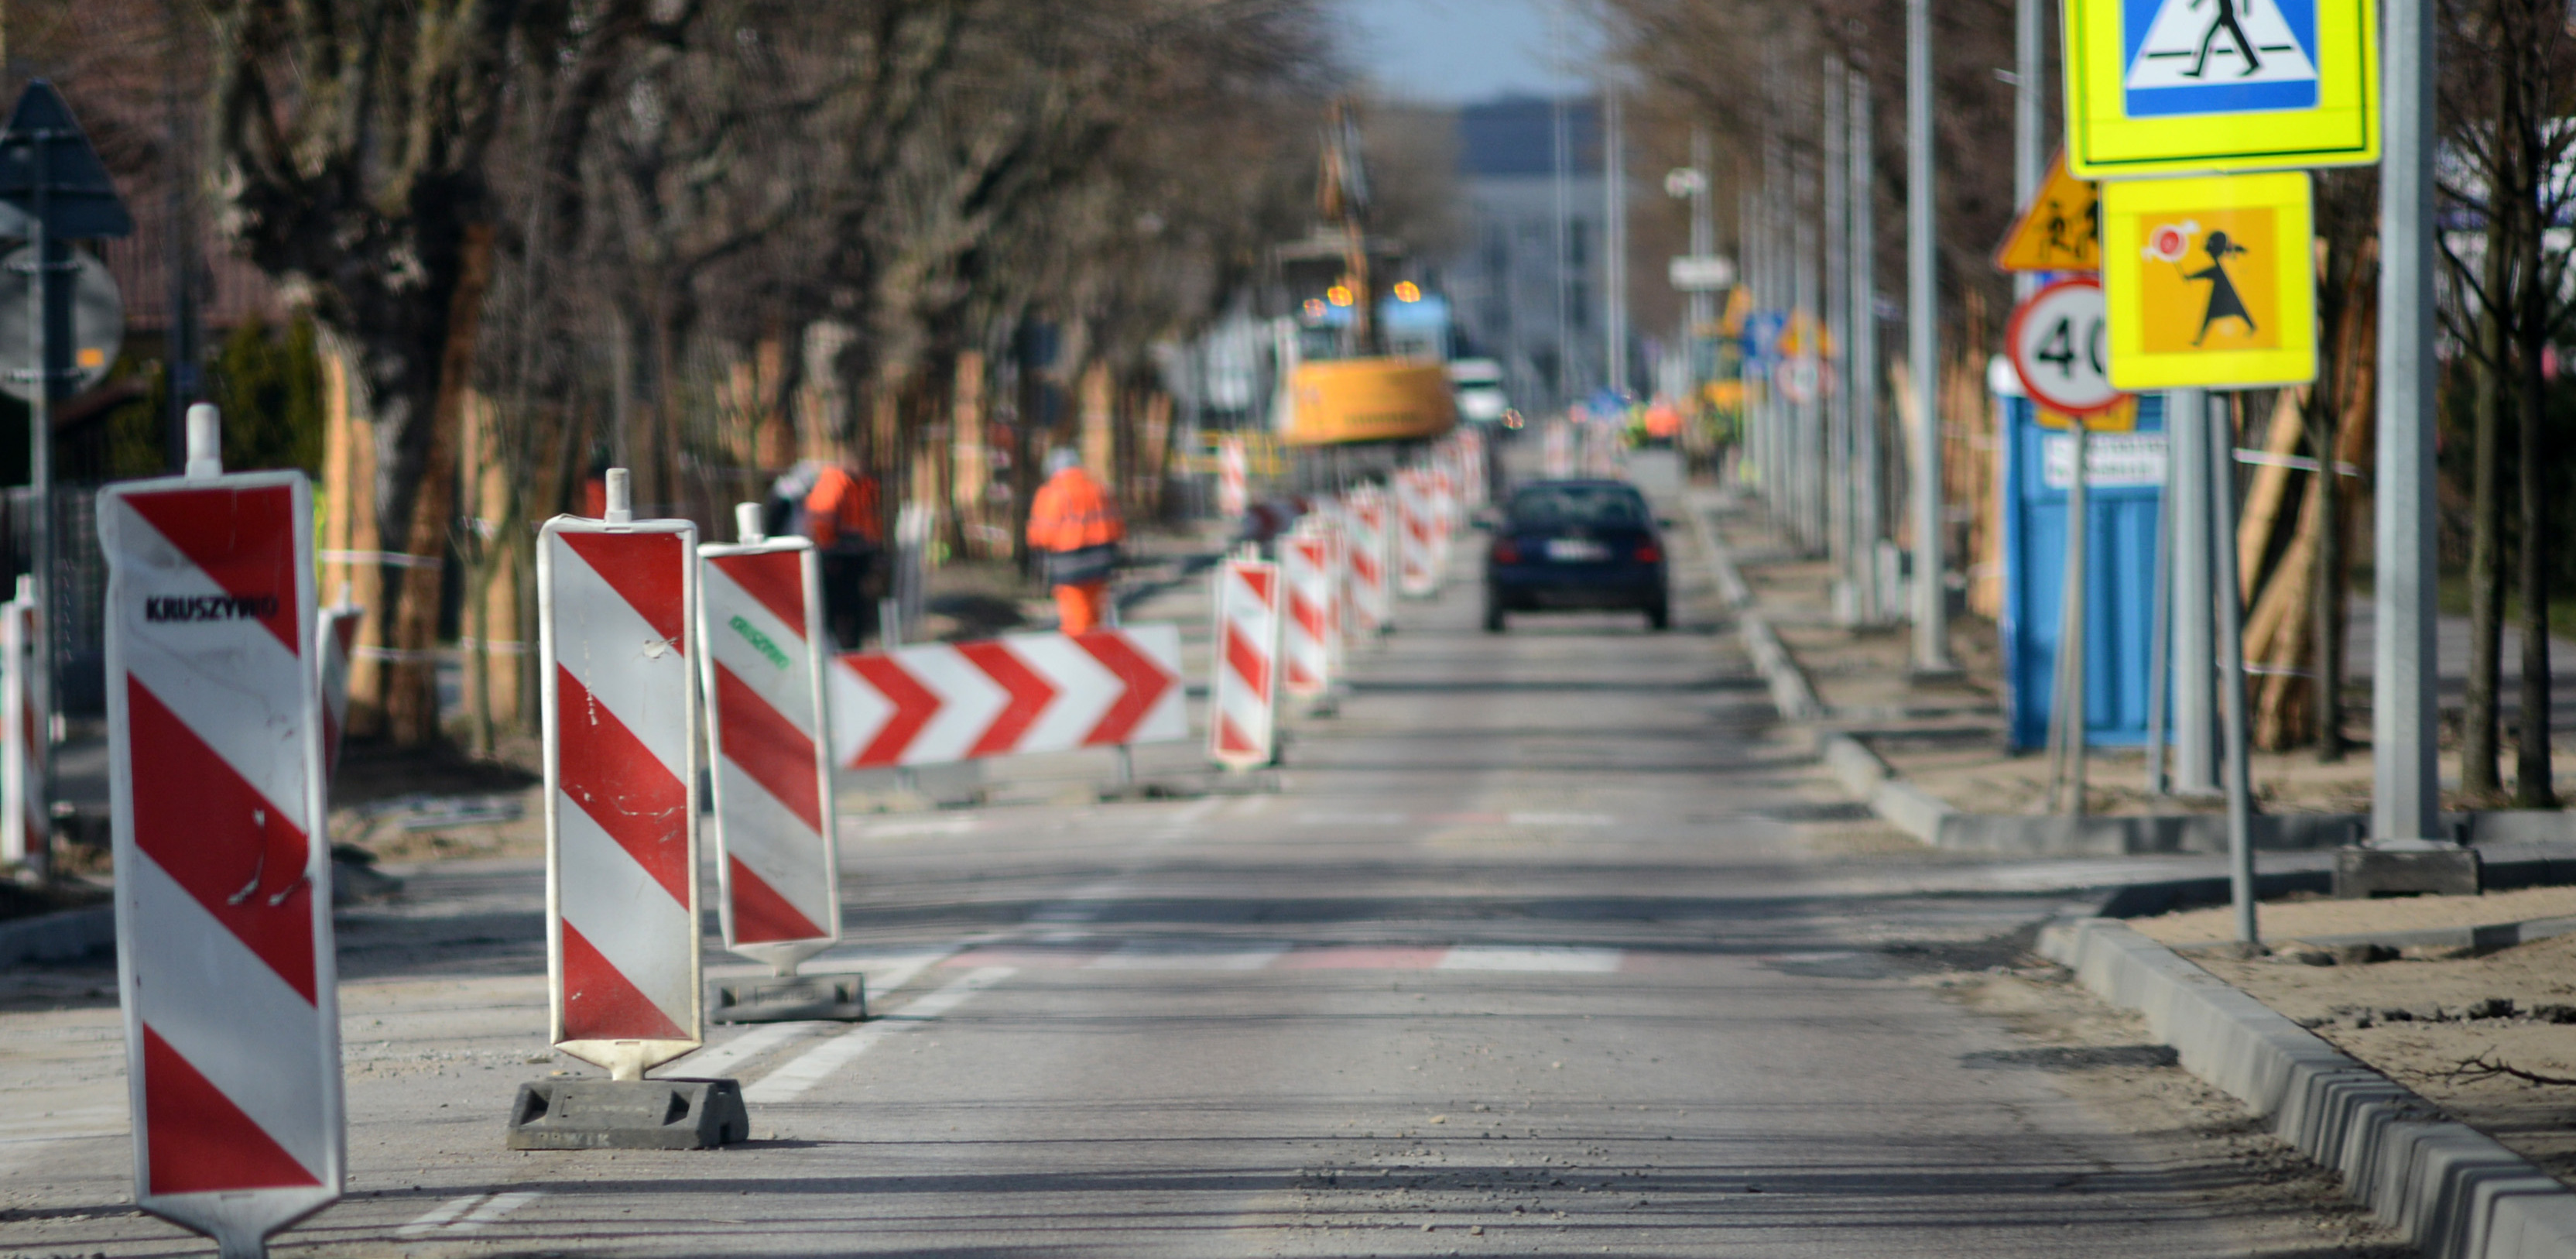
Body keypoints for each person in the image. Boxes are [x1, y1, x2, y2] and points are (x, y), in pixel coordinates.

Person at [1026, 447, 1123, 634]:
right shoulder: (1099, 489)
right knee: (1096, 612)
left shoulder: (1052, 492)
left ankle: (1079, 654)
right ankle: (1096, 652)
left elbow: (1042, 536)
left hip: (1069, 565)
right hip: (1102, 562)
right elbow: (1118, 527)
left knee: (1076, 617)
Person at [804, 461, 882, 649]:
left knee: (855, 604)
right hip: (837, 557)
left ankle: (851, 644)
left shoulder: (863, 485)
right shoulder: (834, 485)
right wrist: (829, 550)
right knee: (837, 605)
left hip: (856, 554)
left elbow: (869, 519)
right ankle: (835, 644)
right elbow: (822, 519)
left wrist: (874, 547)